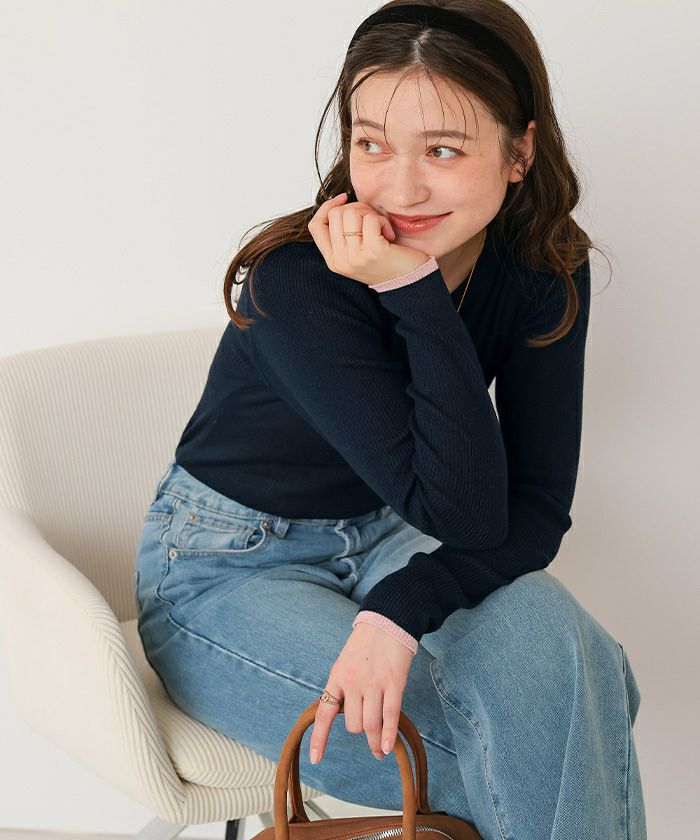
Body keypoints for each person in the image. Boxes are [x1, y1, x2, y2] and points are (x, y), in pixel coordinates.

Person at [134, 2, 646, 838]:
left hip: (397, 535)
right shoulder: (297, 282)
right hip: (227, 567)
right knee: (568, 727)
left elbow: (530, 509)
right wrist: (411, 287)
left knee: (563, 652)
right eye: (371, 144)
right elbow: (465, 513)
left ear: (520, 152)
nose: (399, 190)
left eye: (442, 150)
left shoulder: (545, 267)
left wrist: (397, 611)